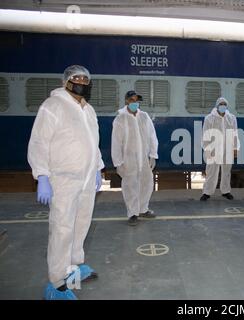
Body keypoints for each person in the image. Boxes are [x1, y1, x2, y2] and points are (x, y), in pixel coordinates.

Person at [27, 65, 104, 300]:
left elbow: (93, 142)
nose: (81, 81)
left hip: (86, 178)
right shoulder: (53, 106)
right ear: (66, 81)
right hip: (63, 180)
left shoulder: (88, 110)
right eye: (76, 78)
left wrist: (98, 168)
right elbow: (40, 141)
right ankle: (57, 282)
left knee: (81, 225)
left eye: (85, 79)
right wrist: (42, 175)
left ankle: (74, 266)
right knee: (62, 229)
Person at [111, 90, 159, 226]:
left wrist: (153, 155)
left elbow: (152, 136)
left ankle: (143, 209)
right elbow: (116, 142)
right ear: (126, 101)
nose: (135, 103)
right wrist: (118, 162)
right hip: (128, 159)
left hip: (143, 158)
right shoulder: (120, 118)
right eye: (132, 100)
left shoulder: (144, 116)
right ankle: (132, 213)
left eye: (137, 101)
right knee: (130, 185)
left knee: (146, 183)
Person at [200, 97, 240, 201]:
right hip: (213, 148)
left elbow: (235, 134)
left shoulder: (231, 118)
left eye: (224, 104)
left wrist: (235, 148)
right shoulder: (209, 118)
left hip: (228, 148)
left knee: (226, 171)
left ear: (226, 106)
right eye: (221, 104)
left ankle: (226, 191)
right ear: (217, 106)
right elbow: (205, 134)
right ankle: (207, 192)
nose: (223, 106)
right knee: (211, 171)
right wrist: (207, 148)